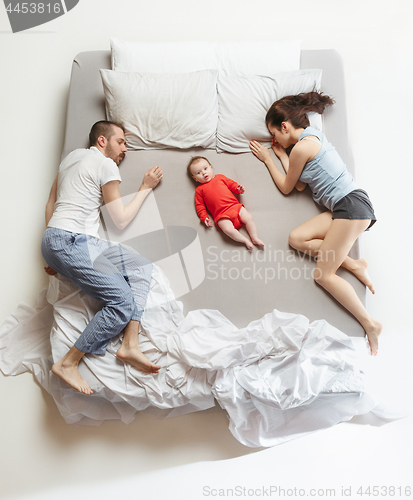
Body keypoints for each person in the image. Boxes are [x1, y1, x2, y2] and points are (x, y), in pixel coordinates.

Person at [249, 91, 381, 356]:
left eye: (274, 133)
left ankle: (371, 324)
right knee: (296, 239)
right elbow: (299, 183)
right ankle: (355, 264)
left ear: (284, 126)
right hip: (345, 206)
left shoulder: (302, 148)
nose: (274, 140)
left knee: (323, 275)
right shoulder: (310, 140)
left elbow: (287, 187)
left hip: (351, 206)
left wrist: (267, 159)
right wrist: (281, 155)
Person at [42, 120, 163, 395]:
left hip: (60, 238)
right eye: (120, 142)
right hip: (72, 241)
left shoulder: (70, 159)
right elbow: (119, 219)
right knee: (121, 301)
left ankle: (130, 344)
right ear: (102, 141)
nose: (124, 149)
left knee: (141, 267)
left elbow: (50, 203)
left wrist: (52, 250)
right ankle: (68, 362)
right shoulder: (105, 163)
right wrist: (145, 186)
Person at [188, 156, 264, 250]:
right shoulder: (199, 190)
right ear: (195, 178)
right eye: (198, 173)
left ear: (211, 167)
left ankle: (254, 237)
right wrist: (204, 217)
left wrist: (238, 189)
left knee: (248, 217)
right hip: (221, 215)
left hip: (235, 207)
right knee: (227, 229)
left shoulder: (220, 177)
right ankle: (244, 240)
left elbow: (232, 185)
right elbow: (200, 206)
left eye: (205, 168)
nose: (204, 173)